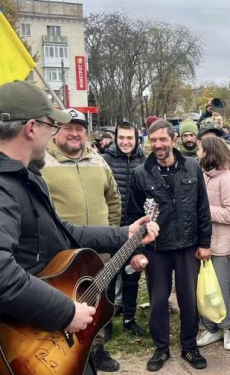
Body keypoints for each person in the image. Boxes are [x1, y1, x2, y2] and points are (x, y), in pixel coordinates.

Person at [0, 80, 158, 375]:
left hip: (50, 333)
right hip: (27, 341)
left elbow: (64, 231)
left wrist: (125, 234)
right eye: (52, 125)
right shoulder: (4, 187)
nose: (55, 131)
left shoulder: (26, 177)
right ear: (32, 128)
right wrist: (66, 312)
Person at [41, 108, 122, 371]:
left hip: (99, 254)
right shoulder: (42, 163)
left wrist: (111, 234)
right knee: (66, 305)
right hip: (63, 259)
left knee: (99, 304)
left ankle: (96, 350)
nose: (74, 134)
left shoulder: (99, 161)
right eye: (68, 128)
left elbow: (113, 199)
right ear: (56, 131)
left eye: (80, 129)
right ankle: (61, 356)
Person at [128, 119, 212, 372]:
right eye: (153, 140)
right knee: (157, 301)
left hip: (187, 245)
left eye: (163, 139)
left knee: (188, 300)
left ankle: (189, 346)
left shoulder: (192, 167)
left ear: (174, 141)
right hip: (157, 249)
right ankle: (161, 348)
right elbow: (132, 215)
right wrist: (138, 251)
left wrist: (205, 242)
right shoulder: (140, 173)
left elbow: (202, 208)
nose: (158, 145)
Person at [195, 137, 230, 351]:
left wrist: (204, 212)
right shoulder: (203, 175)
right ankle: (211, 328)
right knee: (205, 289)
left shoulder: (226, 179)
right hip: (204, 242)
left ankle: (228, 328)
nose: (197, 152)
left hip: (221, 245)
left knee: (222, 289)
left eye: (200, 149)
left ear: (209, 153)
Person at [102, 121, 148, 339]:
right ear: (116, 138)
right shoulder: (106, 160)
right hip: (111, 228)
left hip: (136, 228)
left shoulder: (144, 161)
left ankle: (129, 319)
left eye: (130, 138)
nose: (125, 142)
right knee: (108, 277)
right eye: (122, 137)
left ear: (137, 139)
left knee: (131, 275)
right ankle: (107, 322)